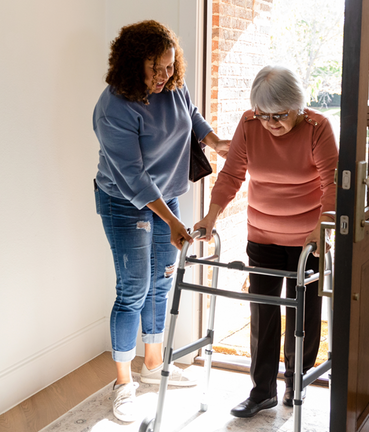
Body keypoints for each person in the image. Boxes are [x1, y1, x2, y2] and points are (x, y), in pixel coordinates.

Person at [93, 20, 229, 423]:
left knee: (162, 278)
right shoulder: (114, 107)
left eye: (170, 66)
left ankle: (152, 365)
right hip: (124, 201)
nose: (164, 75)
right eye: (156, 68)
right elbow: (132, 177)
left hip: (166, 196)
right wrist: (171, 221)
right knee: (133, 288)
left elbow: (192, 115)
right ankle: (122, 383)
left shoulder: (173, 87)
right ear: (133, 64)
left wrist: (215, 141)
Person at [194, 65, 338, 418]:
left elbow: (332, 181)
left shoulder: (317, 129)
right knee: (263, 312)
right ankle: (262, 391)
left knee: (303, 313)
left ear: (298, 106)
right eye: (264, 114)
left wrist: (323, 227)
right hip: (262, 235)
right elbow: (231, 174)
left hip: (307, 242)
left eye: (279, 115)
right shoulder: (249, 124)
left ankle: (296, 383)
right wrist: (211, 216)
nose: (271, 123)